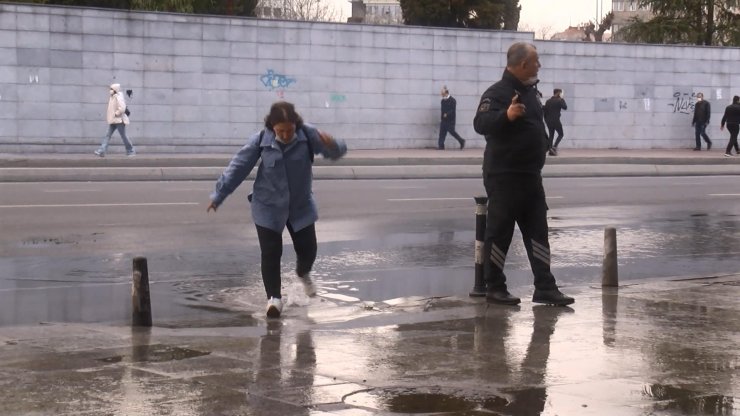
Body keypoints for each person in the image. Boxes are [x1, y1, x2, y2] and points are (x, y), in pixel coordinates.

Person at [207, 101, 347, 318]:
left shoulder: (308, 135)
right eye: (280, 130)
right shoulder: (260, 141)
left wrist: (333, 145)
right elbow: (238, 168)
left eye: (289, 130)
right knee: (271, 251)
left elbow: (336, 153)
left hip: (300, 206)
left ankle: (303, 273)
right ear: (272, 126)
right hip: (268, 205)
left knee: (308, 249)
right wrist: (219, 195)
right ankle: (274, 299)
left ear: (296, 126)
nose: (285, 135)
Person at [473, 41, 574, 307]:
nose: (539, 65)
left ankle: (545, 287)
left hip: (530, 176)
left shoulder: (530, 92)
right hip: (505, 176)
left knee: (538, 231)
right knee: (500, 232)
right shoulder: (497, 93)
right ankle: (494, 287)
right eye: (536, 60)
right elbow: (480, 124)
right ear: (522, 64)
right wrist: (506, 115)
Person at [94, 83, 135, 157]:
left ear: (115, 90)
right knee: (108, 135)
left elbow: (122, 108)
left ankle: (131, 151)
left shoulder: (118, 97)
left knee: (123, 136)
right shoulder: (112, 97)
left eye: (111, 89)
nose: (110, 90)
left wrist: (116, 113)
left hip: (119, 120)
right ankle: (102, 151)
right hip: (114, 120)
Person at [438, 86, 466, 150]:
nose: (442, 95)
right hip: (443, 120)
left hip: (450, 120)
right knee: (442, 133)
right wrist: (442, 117)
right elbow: (442, 110)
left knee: (452, 132)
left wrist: (447, 114)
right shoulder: (442, 101)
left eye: (443, 93)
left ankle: (461, 141)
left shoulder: (452, 100)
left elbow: (453, 110)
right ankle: (441, 146)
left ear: (446, 93)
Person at [543, 88, 567, 156]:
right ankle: (554, 147)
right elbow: (565, 107)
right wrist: (562, 99)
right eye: (560, 93)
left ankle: (550, 150)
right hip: (556, 120)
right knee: (561, 134)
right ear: (558, 93)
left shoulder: (548, 101)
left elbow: (545, 111)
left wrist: (546, 120)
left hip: (549, 121)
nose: (561, 94)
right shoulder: (559, 100)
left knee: (551, 135)